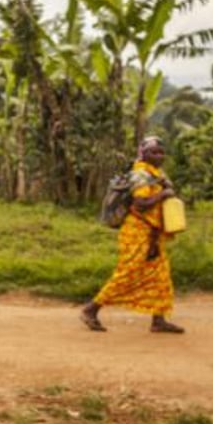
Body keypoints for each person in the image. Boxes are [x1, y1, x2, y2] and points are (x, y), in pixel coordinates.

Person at [80, 135, 185, 334]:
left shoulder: (157, 174)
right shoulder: (140, 175)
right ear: (143, 154)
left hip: (152, 233)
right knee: (128, 274)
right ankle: (90, 309)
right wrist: (163, 194)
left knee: (160, 276)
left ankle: (159, 320)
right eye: (154, 152)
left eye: (162, 152)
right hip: (136, 231)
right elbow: (141, 204)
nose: (159, 156)